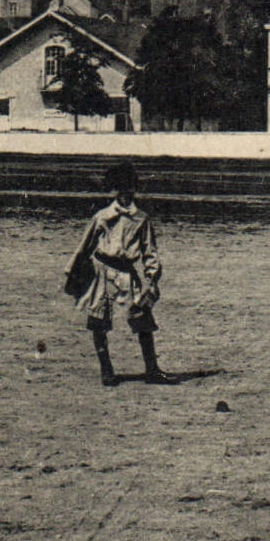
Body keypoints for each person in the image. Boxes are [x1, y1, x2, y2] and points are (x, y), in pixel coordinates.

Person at [64, 161, 173, 386]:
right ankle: (106, 370)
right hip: (102, 272)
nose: (125, 194)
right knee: (98, 320)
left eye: (129, 190)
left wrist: (152, 278)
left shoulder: (142, 219)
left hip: (127, 273)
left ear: (134, 190)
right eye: (121, 190)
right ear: (114, 190)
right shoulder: (102, 217)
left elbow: (149, 250)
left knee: (142, 317)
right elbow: (84, 247)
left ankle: (152, 370)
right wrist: (73, 274)